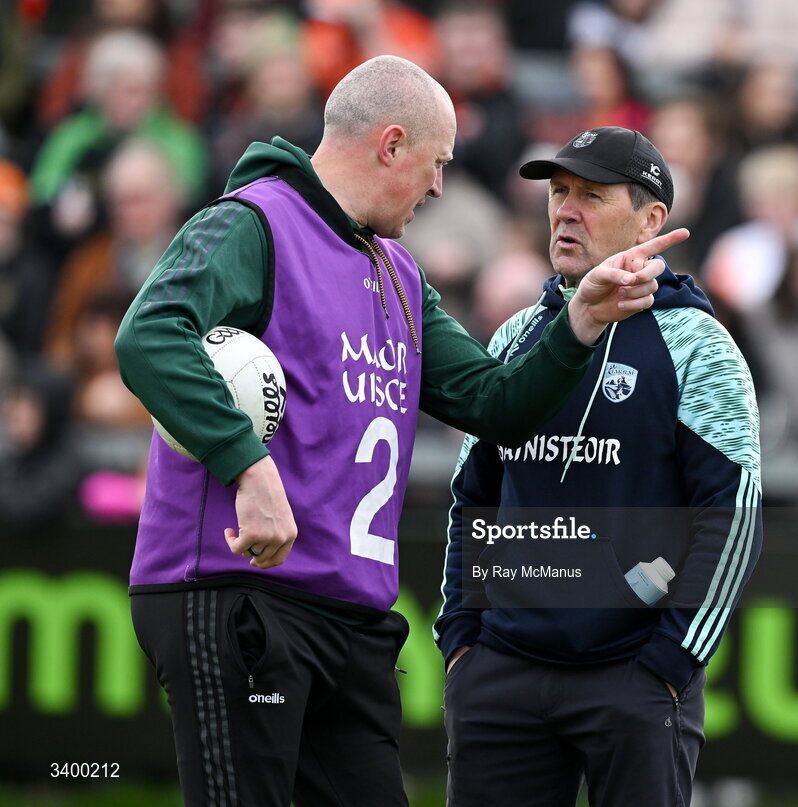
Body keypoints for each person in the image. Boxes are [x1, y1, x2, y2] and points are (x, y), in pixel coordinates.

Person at [114, 57, 684, 807]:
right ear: (391, 146)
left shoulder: (399, 272)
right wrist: (249, 469)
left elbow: (495, 403)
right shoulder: (251, 223)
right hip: (238, 596)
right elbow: (150, 336)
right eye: (437, 162)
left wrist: (580, 321)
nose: (440, 186)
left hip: (350, 625)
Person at [434, 126, 762, 806]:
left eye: (591, 194)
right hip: (503, 669)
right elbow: (473, 496)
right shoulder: (517, 334)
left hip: (632, 673)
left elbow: (731, 517)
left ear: (651, 219)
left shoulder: (698, 344)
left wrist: (669, 665)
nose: (565, 210)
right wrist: (464, 640)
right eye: (558, 192)